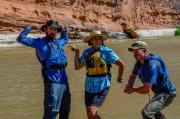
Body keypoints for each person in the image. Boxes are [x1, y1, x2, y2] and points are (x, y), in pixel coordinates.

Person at [17, 20, 71, 119]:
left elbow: (65, 39)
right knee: (51, 111)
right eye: (51, 29)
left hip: (64, 79)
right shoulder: (38, 42)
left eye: (55, 29)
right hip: (51, 79)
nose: (53, 31)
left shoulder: (59, 42)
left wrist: (64, 30)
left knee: (65, 109)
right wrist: (28, 28)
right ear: (45, 29)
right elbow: (20, 39)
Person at [69, 31, 125, 119]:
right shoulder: (87, 52)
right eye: (95, 39)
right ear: (90, 41)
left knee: (92, 112)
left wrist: (120, 77)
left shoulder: (107, 52)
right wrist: (77, 52)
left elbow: (121, 64)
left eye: (99, 39)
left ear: (102, 41)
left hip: (102, 85)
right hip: (89, 86)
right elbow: (77, 66)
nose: (97, 41)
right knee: (89, 114)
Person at [124, 41, 176, 119]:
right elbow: (133, 76)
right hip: (159, 92)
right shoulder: (139, 62)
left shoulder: (152, 65)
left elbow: (146, 89)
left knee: (146, 112)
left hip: (167, 93)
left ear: (144, 51)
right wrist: (129, 85)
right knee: (156, 113)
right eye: (133, 51)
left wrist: (133, 90)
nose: (134, 53)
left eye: (137, 51)